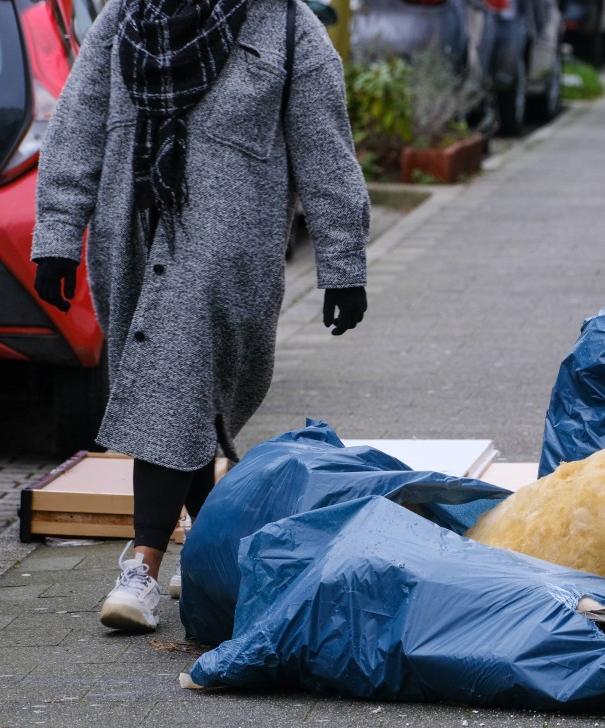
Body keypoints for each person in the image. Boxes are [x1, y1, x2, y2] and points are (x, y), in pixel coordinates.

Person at [31, 0, 371, 632]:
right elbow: (77, 125)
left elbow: (326, 152)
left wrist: (343, 264)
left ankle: (141, 567)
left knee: (174, 383)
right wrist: (57, 234)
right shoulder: (125, 19)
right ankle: (215, 551)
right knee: (186, 400)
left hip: (230, 253)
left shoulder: (290, 29)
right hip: (129, 242)